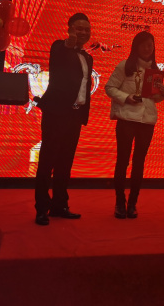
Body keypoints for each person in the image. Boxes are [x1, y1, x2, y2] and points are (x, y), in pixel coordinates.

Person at [34, 12, 93, 226]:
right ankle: (42, 209)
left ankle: (60, 205)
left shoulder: (88, 57)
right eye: (78, 28)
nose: (83, 32)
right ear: (69, 29)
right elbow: (62, 53)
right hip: (56, 113)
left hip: (75, 115)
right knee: (47, 161)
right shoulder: (59, 47)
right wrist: (70, 42)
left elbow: (84, 86)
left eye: (86, 29)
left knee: (65, 163)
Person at [105, 31, 164, 219]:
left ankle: (132, 203)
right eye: (144, 45)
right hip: (126, 119)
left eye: (151, 45)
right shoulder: (125, 66)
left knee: (139, 163)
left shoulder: (154, 70)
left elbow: (152, 99)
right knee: (123, 161)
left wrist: (163, 94)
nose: (148, 48)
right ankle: (119, 203)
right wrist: (127, 97)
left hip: (147, 121)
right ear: (136, 47)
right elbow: (110, 88)